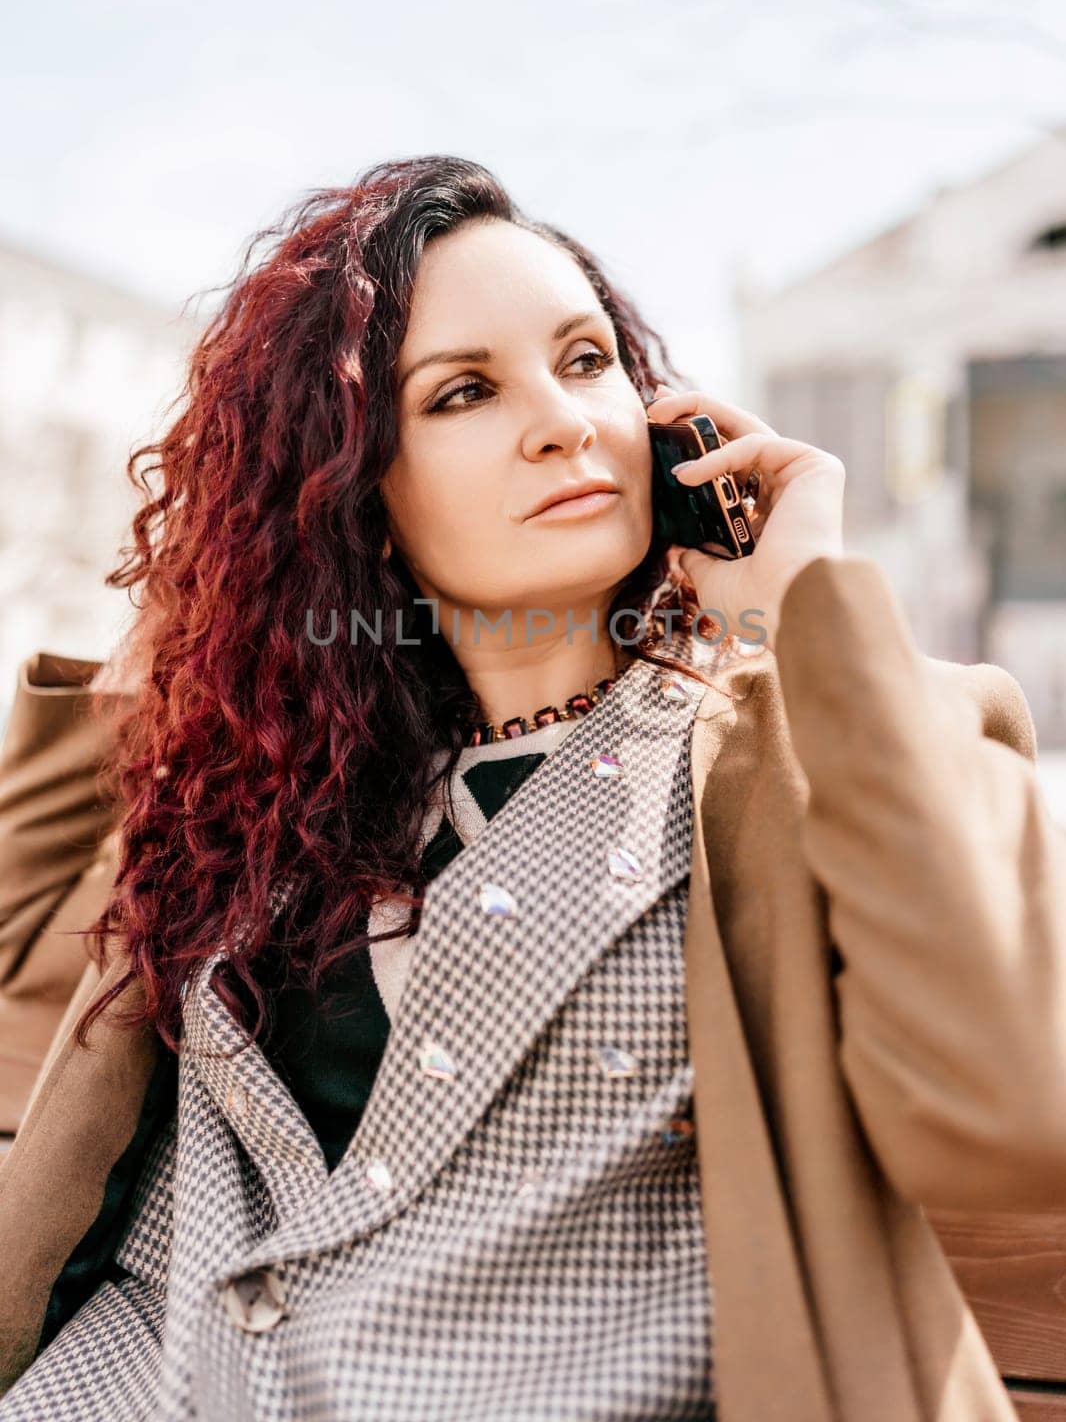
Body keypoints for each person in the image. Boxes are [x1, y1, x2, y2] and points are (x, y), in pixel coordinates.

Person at [1, 153, 1064, 1422]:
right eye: (461, 392)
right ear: (353, 488)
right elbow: (16, 941)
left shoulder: (810, 743)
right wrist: (225, 623)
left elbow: (1010, 1098)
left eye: (584, 360)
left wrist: (802, 608)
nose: (561, 420)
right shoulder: (275, 789)